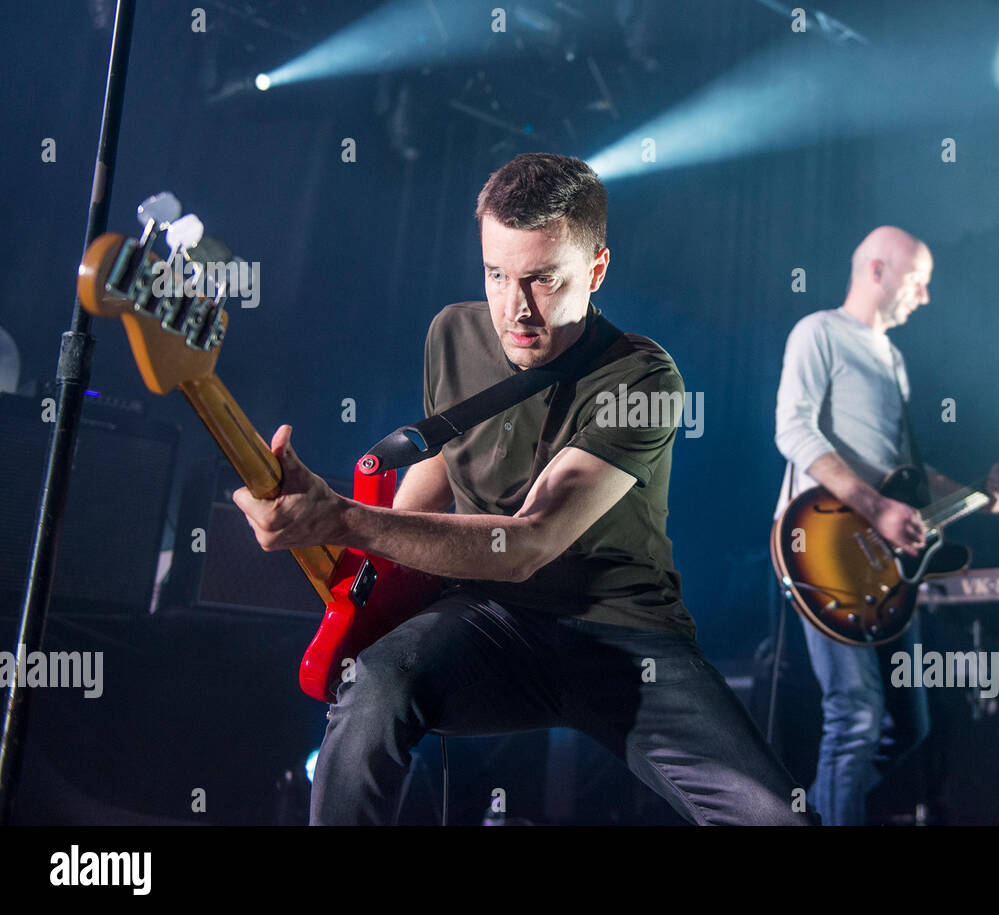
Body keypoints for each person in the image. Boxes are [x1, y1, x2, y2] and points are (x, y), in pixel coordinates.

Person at [234, 152, 814, 826]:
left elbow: (527, 541)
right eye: (496, 274)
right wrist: (320, 524)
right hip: (489, 624)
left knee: (778, 818)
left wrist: (340, 518)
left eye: (542, 279)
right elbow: (422, 496)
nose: (516, 307)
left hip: (624, 637)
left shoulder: (644, 378)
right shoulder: (452, 334)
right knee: (373, 685)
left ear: (596, 270)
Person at [773, 225, 999, 826]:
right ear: (877, 270)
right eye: (918, 281)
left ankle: (827, 810)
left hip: (882, 565)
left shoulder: (894, 358)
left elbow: (904, 471)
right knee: (854, 713)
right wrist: (872, 504)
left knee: (910, 726)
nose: (925, 296)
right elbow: (794, 430)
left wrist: (975, 494)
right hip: (822, 545)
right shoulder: (819, 332)